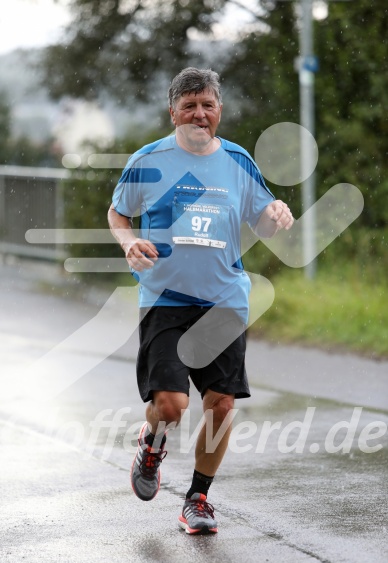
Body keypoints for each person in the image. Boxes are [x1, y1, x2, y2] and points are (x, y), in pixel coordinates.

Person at [108, 67, 294, 535]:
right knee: (170, 405)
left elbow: (264, 221)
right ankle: (152, 446)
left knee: (222, 404)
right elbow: (117, 213)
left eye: (207, 105)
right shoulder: (148, 160)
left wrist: (276, 213)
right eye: (189, 105)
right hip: (165, 299)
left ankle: (198, 499)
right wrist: (129, 242)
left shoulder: (237, 160)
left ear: (219, 111)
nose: (199, 114)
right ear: (173, 112)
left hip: (224, 299)